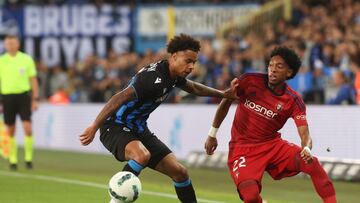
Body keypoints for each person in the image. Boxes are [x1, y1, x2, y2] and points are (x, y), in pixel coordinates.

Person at [79, 34, 238, 203]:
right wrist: (95, 126)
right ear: (174, 57)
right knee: (141, 155)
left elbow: (193, 88)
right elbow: (119, 97)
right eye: (188, 61)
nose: (191, 66)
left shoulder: (173, 76)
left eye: (194, 62)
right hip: (115, 126)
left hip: (139, 129)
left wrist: (223, 94)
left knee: (180, 172)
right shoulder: (152, 77)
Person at [204, 46, 337, 203]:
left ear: (289, 73)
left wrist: (306, 148)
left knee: (312, 163)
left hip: (272, 146)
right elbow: (226, 100)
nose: (272, 70)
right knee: (251, 197)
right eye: (271, 65)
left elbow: (304, 133)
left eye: (279, 66)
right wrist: (212, 134)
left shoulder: (293, 100)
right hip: (242, 149)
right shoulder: (249, 81)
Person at [0, 35, 39, 170]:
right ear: (5, 45)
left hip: (23, 96)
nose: (10, 45)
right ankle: (13, 159)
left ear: (18, 44)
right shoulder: (1, 61)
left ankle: (28, 159)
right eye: (8, 43)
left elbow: (33, 80)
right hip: (7, 97)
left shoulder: (26, 59)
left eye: (13, 43)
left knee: (27, 128)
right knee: (11, 130)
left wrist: (35, 99)